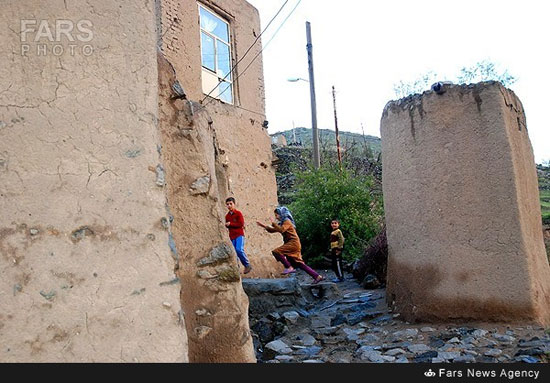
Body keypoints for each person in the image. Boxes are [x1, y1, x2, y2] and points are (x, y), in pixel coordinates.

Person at [256, 206, 324, 284]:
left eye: (276, 215)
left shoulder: (287, 221)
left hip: (293, 243)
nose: (276, 217)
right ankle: (317, 276)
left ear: (282, 214)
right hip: (292, 243)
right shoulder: (282, 223)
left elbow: (281, 230)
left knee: (276, 252)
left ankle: (289, 267)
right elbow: (273, 230)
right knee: (299, 263)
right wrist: (264, 226)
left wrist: (273, 223)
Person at [225, 197, 252, 274]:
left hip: (239, 235)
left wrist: (231, 224)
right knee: (234, 254)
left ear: (234, 204)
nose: (229, 206)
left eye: (231, 204)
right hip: (232, 236)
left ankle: (247, 265)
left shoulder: (238, 213)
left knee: (239, 249)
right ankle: (236, 270)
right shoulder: (227, 216)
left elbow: (241, 224)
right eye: (227, 204)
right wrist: (227, 225)